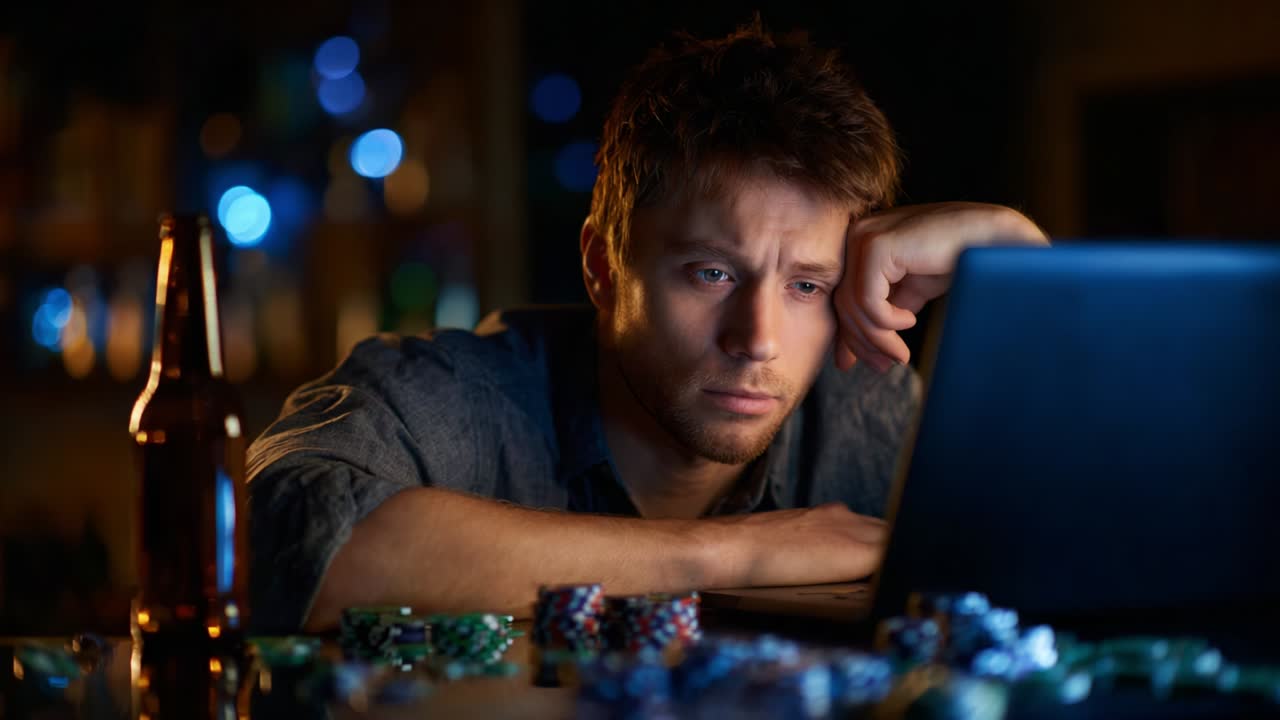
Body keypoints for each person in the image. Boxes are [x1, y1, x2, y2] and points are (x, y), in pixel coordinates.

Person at [246, 20, 1048, 632]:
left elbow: (1096, 553)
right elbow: (297, 543)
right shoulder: (452, 396)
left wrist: (1027, 279)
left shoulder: (863, 403)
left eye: (808, 284)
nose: (758, 337)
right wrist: (746, 554)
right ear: (601, 264)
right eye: (712, 273)